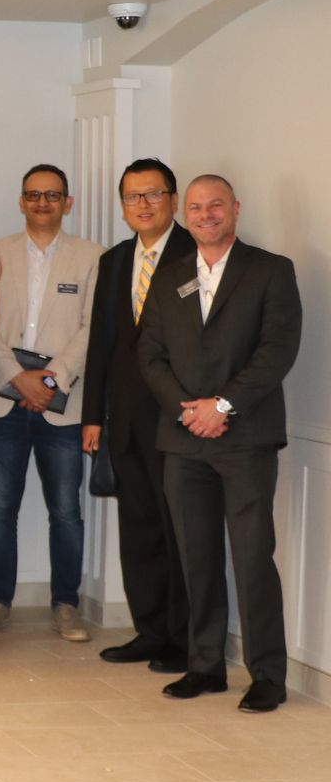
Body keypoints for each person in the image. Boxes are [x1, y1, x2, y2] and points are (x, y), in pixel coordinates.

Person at [138, 175, 301, 713]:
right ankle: (205, 665)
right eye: (196, 207)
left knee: (254, 558)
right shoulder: (171, 277)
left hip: (245, 438)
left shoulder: (271, 270)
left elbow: (277, 351)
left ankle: (268, 675)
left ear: (235, 208)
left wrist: (222, 406)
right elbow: (150, 355)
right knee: (197, 557)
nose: (205, 215)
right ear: (185, 215)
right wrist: (189, 411)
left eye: (215, 206)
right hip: (184, 439)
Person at [0, 165, 103, 642]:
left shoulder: (93, 258)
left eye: (52, 195)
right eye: (33, 195)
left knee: (66, 510)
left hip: (63, 404)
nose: (42, 202)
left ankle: (66, 605)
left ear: (67, 202)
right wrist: (14, 376)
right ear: (21, 201)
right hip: (2, 402)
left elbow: (94, 329)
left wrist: (52, 377)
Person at [81, 159, 195, 673]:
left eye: (153, 194)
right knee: (140, 529)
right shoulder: (115, 260)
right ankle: (151, 631)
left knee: (181, 532)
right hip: (125, 420)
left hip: (179, 419)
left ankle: (187, 638)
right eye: (132, 197)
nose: (143, 205)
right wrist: (93, 416)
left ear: (172, 199)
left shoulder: (198, 254)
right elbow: (101, 346)